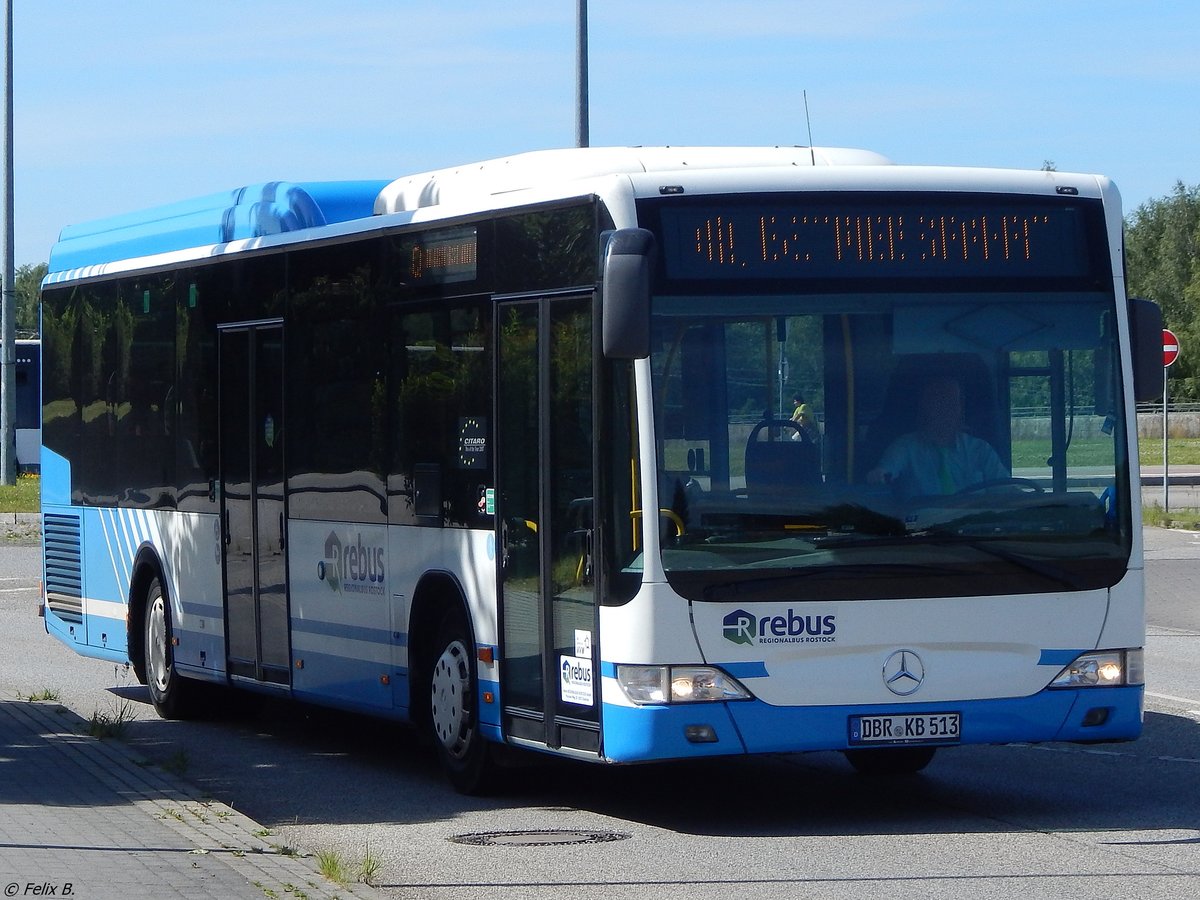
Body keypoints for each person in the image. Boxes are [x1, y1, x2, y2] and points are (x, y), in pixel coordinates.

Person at [867, 376, 1007, 497]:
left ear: (961, 408)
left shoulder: (980, 449)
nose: (945, 410)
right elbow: (884, 473)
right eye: (939, 402)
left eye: (951, 402)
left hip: (973, 525)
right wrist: (878, 476)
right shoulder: (904, 447)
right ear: (925, 407)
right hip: (919, 526)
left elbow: (1007, 490)